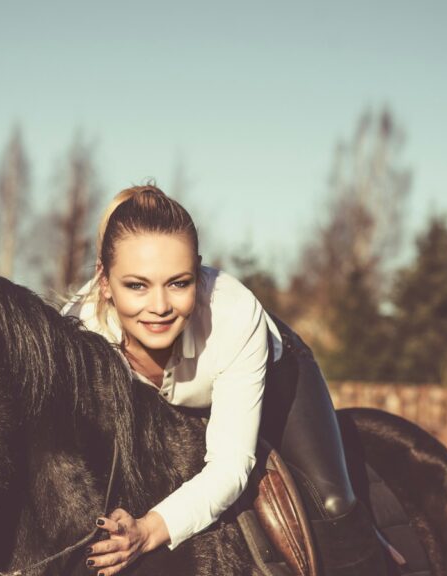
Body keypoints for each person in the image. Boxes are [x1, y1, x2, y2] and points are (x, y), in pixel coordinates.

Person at [61, 184, 387, 575]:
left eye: (179, 282)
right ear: (103, 280)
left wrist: (147, 531)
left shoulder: (234, 314)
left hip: (276, 373)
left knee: (332, 501)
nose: (160, 307)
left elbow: (231, 465)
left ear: (197, 272)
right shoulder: (78, 332)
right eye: (137, 285)